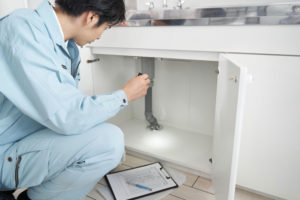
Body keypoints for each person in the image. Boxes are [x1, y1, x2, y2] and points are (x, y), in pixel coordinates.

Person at [0, 0, 150, 199]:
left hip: (22, 142)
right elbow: (68, 116)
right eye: (104, 28)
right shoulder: (22, 28)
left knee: (107, 143)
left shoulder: (68, 48)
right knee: (108, 142)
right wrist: (124, 96)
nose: (99, 36)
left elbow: (65, 111)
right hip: (5, 150)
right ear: (91, 17)